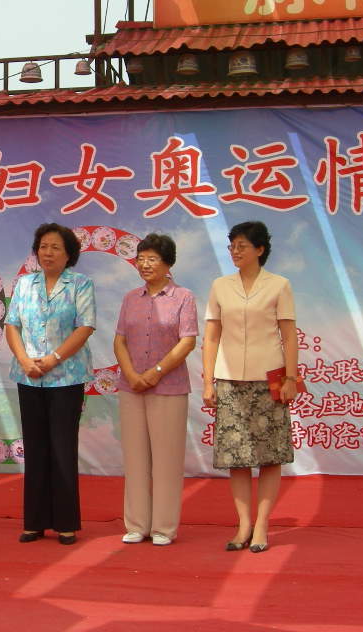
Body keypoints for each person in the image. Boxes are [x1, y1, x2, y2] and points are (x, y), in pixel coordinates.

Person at [202, 221, 298, 553]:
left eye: (242, 246)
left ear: (260, 249)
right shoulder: (220, 286)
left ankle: (262, 525)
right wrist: (208, 381)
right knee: (236, 456)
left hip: (268, 378)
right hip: (229, 380)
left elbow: (288, 336)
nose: (235, 251)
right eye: (232, 246)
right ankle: (243, 525)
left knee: (270, 455)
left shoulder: (279, 285)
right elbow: (211, 336)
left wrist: (290, 378)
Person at [5, 223, 96, 545]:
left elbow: (85, 327)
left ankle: (66, 523)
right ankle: (34, 522)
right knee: (36, 448)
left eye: (55, 247)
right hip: (28, 376)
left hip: (66, 378)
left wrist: (54, 358)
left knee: (62, 448)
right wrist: (25, 360)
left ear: (69, 254)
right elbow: (12, 325)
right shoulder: (24, 284)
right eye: (43, 246)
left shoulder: (80, 284)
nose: (48, 253)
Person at [112, 233, 197, 546]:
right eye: (141, 259)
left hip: (169, 388)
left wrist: (156, 372)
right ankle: (137, 524)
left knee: (166, 460)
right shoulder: (130, 298)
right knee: (135, 459)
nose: (145, 265)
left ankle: (163, 527)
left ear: (168, 263)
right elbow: (119, 340)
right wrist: (132, 374)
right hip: (131, 387)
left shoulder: (183, 297)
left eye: (152, 259)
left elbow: (187, 341)